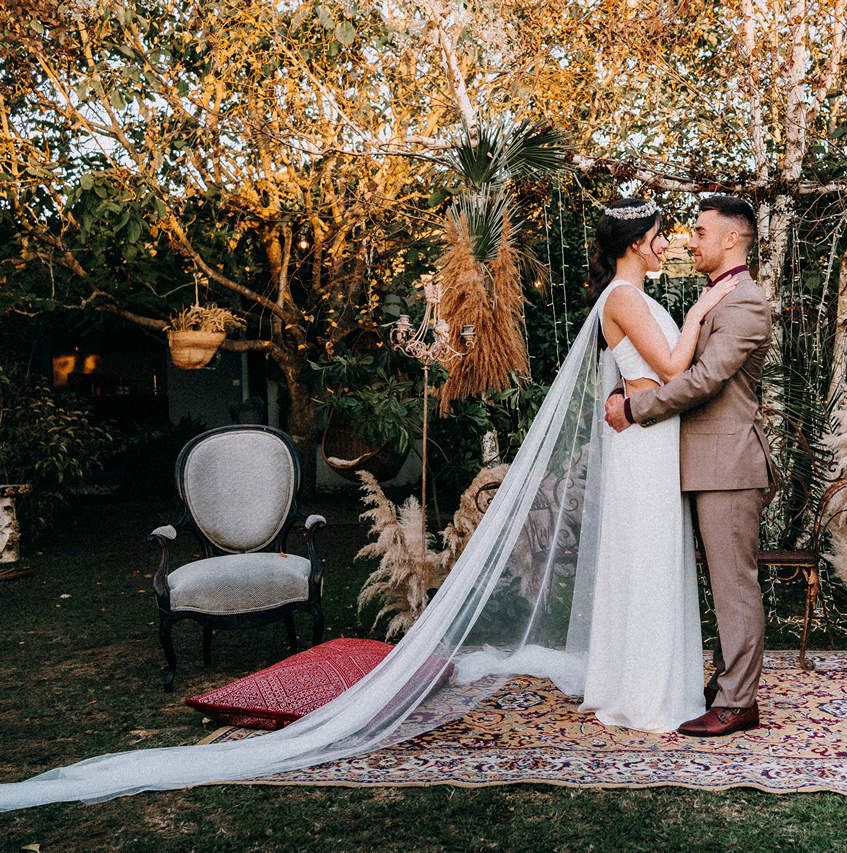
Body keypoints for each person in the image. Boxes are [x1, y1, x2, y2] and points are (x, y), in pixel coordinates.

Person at [0, 197, 742, 811]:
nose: (668, 243)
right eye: (659, 236)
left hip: (646, 443)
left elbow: (657, 372)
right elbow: (675, 364)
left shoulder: (633, 296)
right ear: (636, 243)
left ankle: (638, 683)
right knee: (643, 561)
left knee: (647, 561)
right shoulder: (624, 297)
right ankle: (640, 692)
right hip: (641, 446)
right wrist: (709, 301)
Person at [605, 194, 774, 737]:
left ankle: (737, 703)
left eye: (700, 231)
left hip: (728, 466)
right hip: (696, 463)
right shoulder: (716, 297)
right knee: (721, 583)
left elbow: (703, 381)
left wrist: (634, 409)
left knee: (734, 586)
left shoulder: (745, 302)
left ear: (731, 239)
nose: (689, 240)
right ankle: (727, 685)